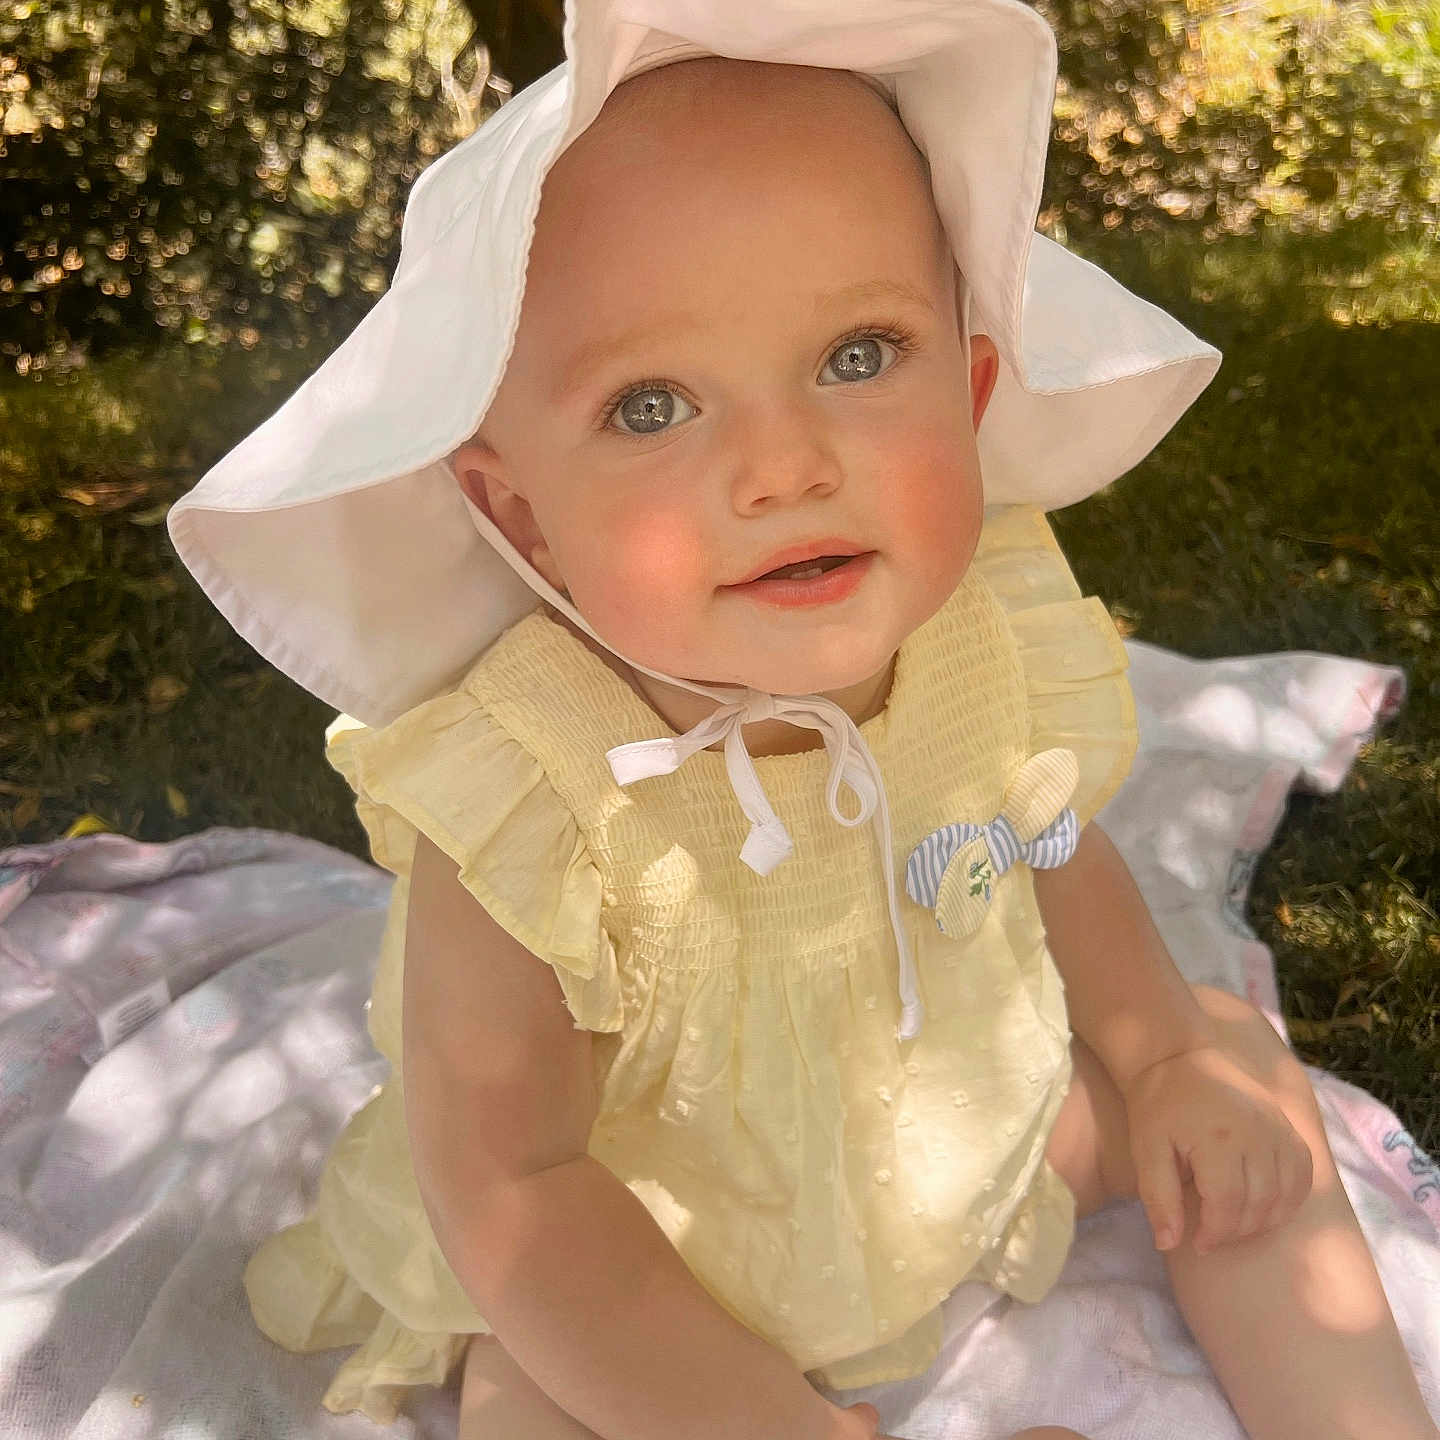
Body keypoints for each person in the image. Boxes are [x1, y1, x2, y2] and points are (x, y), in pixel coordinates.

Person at [167, 4, 1439, 1438]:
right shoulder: (532, 793)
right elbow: (515, 1191)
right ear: (520, 514)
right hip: (665, 1263)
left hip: (958, 1153)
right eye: (652, 406)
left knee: (1235, 1070)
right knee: (529, 1391)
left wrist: (1160, 1061)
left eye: (857, 355)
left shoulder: (979, 635)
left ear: (970, 394)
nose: (784, 466)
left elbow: (1047, 849)